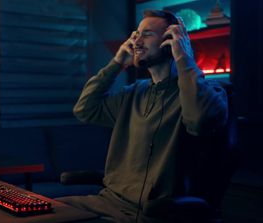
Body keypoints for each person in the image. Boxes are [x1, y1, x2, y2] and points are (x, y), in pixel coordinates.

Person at [56, 9, 228, 223]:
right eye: (135, 34)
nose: (136, 40)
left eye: (146, 34)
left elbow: (198, 121)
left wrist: (184, 57)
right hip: (107, 202)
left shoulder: (209, 92)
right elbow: (85, 109)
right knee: (40, 211)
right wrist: (117, 62)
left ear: (172, 41)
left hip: (153, 212)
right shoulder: (133, 93)